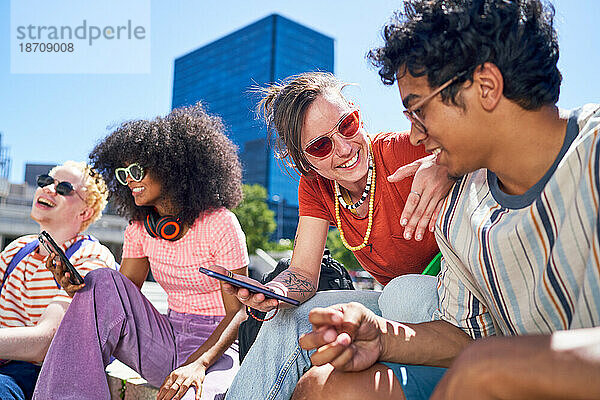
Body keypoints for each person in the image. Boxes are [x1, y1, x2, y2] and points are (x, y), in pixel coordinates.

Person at [294, 1, 600, 399]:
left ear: (486, 87)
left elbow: (481, 360)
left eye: (418, 110)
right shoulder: (457, 210)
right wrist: (381, 336)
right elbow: (463, 336)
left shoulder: (592, 152)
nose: (416, 137)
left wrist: (501, 365)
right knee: (322, 388)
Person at [224, 71, 455, 400]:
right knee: (291, 318)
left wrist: (446, 163)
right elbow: (303, 273)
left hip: (452, 309)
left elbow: (488, 144)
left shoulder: (404, 151)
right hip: (395, 310)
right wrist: (275, 291)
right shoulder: (316, 187)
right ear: (303, 161)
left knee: (403, 293)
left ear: (355, 111)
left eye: (347, 125)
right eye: (321, 146)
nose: (345, 148)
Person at [33, 104, 249, 400]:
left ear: (170, 166)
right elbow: (118, 298)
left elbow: (239, 312)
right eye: (123, 174)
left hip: (217, 346)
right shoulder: (138, 228)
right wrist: (80, 290)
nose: (130, 180)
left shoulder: (220, 223)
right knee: (101, 279)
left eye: (137, 170)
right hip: (165, 339)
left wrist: (197, 364)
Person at [0, 161, 115, 400]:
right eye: (45, 182)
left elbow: (44, 343)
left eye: (64, 188)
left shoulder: (91, 256)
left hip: (43, 375)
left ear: (85, 213)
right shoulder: (16, 250)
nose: (48, 189)